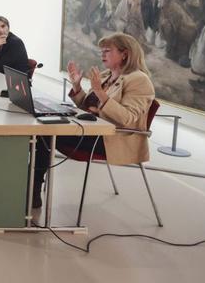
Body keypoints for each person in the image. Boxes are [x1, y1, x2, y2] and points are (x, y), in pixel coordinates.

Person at [33, 33, 155, 208]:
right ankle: (32, 185)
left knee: (44, 134)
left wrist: (100, 93)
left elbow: (127, 118)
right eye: (102, 51)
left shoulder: (139, 80)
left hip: (112, 139)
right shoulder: (107, 75)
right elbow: (86, 106)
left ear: (125, 54)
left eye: (107, 50)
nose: (102, 54)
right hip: (91, 129)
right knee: (43, 127)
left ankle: (33, 190)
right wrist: (77, 86)